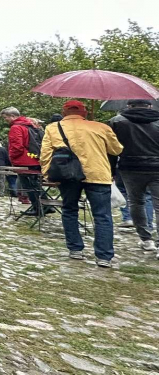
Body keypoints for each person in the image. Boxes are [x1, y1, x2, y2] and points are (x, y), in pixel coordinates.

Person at [40, 100, 123, 267]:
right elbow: (116, 149)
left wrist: (47, 173)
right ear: (84, 112)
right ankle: (104, 256)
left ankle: (75, 249)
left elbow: (45, 153)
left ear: (63, 113)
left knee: (69, 210)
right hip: (97, 173)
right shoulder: (101, 127)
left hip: (67, 174)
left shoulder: (53, 128)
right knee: (102, 215)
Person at [110, 99, 159, 254]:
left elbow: (111, 148)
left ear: (128, 106)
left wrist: (111, 170)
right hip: (157, 167)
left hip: (130, 167)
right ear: (149, 106)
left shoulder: (117, 122)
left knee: (136, 202)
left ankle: (146, 239)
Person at [2, 107, 44, 216]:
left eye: (6, 117)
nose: (5, 120)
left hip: (24, 160)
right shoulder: (29, 125)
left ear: (12, 116)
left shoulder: (16, 127)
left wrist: (12, 157)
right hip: (34, 158)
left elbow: (17, 146)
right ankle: (45, 206)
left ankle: (39, 208)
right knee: (35, 185)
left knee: (29, 186)